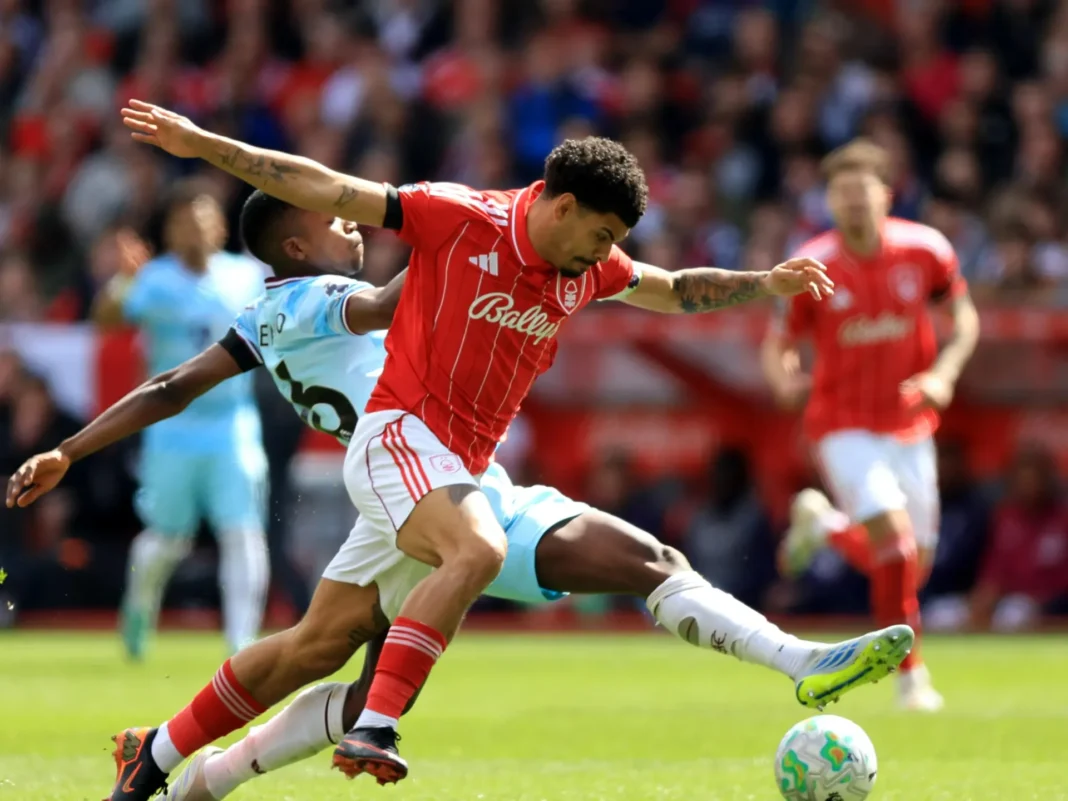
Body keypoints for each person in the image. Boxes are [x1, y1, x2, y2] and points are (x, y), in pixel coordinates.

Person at [10, 189, 912, 801]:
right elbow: (386, 302)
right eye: (332, 218)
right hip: (410, 468)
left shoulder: (262, 314)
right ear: (295, 244)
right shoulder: (314, 299)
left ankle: (173, 760)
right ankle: (299, 738)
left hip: (430, 482)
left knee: (317, 650)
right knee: (377, 649)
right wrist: (480, 229)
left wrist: (68, 449)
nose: (350, 224)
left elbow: (172, 384)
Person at [761, 138, 981, 712]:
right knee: (897, 546)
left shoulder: (926, 250)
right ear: (829, 200)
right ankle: (911, 678)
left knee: (912, 565)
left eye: (862, 191)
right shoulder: (814, 265)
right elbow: (778, 342)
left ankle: (825, 526)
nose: (853, 202)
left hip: (910, 423)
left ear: (886, 194)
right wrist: (784, 379)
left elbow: (963, 319)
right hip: (842, 424)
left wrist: (943, 374)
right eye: (841, 193)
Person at [92, 180, 270, 658]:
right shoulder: (153, 279)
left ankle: (241, 646)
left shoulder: (247, 276)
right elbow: (107, 319)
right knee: (168, 539)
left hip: (232, 422)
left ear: (220, 226)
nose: (195, 228)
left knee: (242, 531)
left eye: (203, 217)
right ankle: (138, 608)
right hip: (172, 426)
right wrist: (122, 280)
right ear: (169, 230)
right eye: (185, 220)